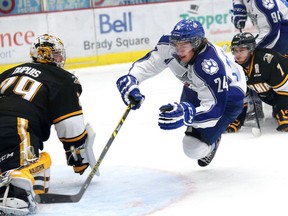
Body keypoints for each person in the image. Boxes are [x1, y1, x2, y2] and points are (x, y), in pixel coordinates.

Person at [116, 19, 246, 167]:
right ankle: (204, 130)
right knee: (190, 123)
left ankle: (212, 140)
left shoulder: (210, 67)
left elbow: (215, 110)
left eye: (184, 45)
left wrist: (187, 114)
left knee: (193, 148)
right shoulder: (170, 45)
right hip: (195, 87)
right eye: (177, 44)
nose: (179, 50)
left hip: (228, 97)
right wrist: (133, 79)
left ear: (196, 43)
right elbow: (152, 62)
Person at [0, 34, 97, 215]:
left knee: (28, 169)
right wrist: (79, 160)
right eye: (57, 55)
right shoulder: (63, 78)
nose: (60, 59)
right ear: (49, 56)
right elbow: (70, 125)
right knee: (31, 178)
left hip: (10, 124)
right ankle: (15, 188)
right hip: (17, 126)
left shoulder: (8, 72)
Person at [230, 0, 288, 127]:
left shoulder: (262, 2)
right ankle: (254, 107)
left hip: (283, 33)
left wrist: (250, 50)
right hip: (279, 33)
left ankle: (283, 107)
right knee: (249, 67)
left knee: (269, 67)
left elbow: (272, 31)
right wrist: (239, 5)